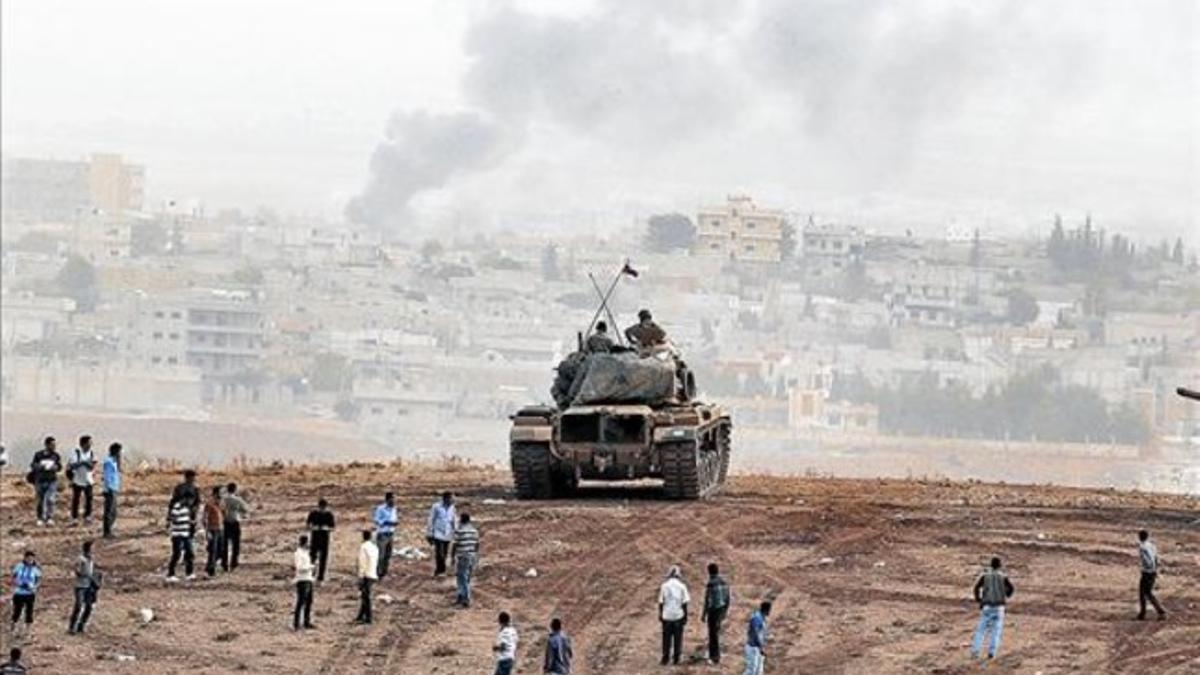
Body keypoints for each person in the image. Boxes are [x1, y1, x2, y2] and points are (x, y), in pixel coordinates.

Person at [971, 556, 1015, 663]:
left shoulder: (985, 576)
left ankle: (975, 651)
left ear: (991, 565)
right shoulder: (1003, 577)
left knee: (981, 629)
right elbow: (1012, 588)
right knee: (996, 630)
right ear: (1000, 566)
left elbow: (976, 587)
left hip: (987, 605)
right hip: (999, 606)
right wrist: (1006, 595)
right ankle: (992, 652)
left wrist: (979, 599)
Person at [658, 565, 690, 666]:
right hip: (678, 615)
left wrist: (660, 614)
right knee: (678, 638)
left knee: (666, 638)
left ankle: (665, 657)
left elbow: (661, 602)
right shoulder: (682, 586)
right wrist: (685, 616)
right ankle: (676, 658)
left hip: (666, 615)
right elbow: (685, 603)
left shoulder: (664, 586)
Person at [701, 562, 732, 665]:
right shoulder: (724, 582)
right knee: (716, 632)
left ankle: (714, 656)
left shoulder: (711, 583)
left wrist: (703, 614)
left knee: (712, 634)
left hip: (713, 611)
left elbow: (707, 599)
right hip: (721, 610)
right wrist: (725, 611)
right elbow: (728, 598)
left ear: (709, 572)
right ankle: (715, 655)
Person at [68, 540, 100, 634]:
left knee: (89, 607)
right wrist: (87, 575)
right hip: (80, 586)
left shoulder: (91, 560)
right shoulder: (81, 559)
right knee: (78, 605)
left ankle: (81, 625)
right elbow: (77, 571)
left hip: (89, 586)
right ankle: (72, 626)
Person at [29, 436, 62, 526]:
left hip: (52, 480)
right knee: (40, 500)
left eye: (55, 445)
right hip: (40, 480)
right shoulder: (38, 455)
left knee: (50, 499)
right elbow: (33, 465)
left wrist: (55, 467)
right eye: (52, 445)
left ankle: (49, 517)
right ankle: (40, 518)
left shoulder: (56, 455)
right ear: (47, 445)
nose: (54, 446)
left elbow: (59, 467)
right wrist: (40, 466)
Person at [67, 435, 97, 526]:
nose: (90, 445)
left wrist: (83, 463)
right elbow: (72, 465)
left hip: (88, 480)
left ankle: (87, 517)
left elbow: (92, 466)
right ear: (83, 444)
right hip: (77, 479)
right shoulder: (76, 453)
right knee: (76, 499)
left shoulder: (92, 453)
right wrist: (83, 463)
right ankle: (74, 517)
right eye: (89, 443)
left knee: (89, 499)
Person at [9, 551, 42, 636]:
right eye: (28, 558)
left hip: (30, 593)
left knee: (29, 612)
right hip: (19, 592)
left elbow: (38, 580)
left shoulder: (35, 568)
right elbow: (13, 577)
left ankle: (28, 631)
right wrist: (16, 583)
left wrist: (34, 587)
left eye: (32, 558)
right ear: (25, 558)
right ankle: (14, 627)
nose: (30, 560)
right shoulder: (19, 566)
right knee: (17, 611)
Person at [452, 512, 480, 608]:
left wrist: (452, 557)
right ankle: (460, 597)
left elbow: (455, 545)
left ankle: (465, 599)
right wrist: (475, 555)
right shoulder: (474, 531)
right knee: (467, 578)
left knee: (462, 578)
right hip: (471, 556)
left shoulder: (460, 531)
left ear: (461, 520)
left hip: (462, 556)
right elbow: (477, 544)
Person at [1137, 529, 1166, 621]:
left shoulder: (1142, 547)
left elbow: (1148, 559)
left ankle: (1159, 611)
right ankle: (1143, 613)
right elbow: (1156, 557)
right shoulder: (1151, 545)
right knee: (1145, 593)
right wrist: (1155, 568)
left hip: (1147, 572)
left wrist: (1149, 567)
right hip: (1152, 571)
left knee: (1145, 593)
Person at [222, 482, 251, 571]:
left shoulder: (223, 499)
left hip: (224, 522)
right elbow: (246, 510)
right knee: (235, 544)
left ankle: (225, 563)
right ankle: (233, 563)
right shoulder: (237, 500)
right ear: (235, 489)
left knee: (224, 545)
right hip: (235, 522)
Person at [426, 492, 456, 577]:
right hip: (438, 533)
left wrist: (455, 531)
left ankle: (439, 570)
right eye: (451, 498)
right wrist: (429, 533)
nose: (452, 500)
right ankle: (441, 571)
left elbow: (453, 520)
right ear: (445, 498)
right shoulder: (436, 507)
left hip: (448, 533)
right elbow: (431, 519)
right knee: (439, 553)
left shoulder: (452, 508)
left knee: (445, 553)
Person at [166, 497, 196, 581]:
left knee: (189, 553)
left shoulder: (187, 509)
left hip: (186, 534)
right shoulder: (176, 508)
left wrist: (190, 522)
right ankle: (170, 573)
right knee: (177, 554)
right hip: (178, 534)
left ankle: (189, 573)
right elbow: (173, 519)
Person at [306, 498, 335, 582]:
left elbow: (332, 527)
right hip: (315, 537)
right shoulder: (313, 514)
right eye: (321, 508)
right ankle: (311, 574)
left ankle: (321, 576)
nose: (322, 509)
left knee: (323, 558)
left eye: (323, 508)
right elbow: (308, 525)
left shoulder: (329, 515)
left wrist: (326, 528)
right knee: (312, 557)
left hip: (324, 538)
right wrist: (313, 528)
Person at [355, 530, 379, 625]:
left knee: (365, 596)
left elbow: (362, 562)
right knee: (365, 595)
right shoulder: (374, 547)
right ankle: (361, 615)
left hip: (366, 574)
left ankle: (368, 617)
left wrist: (360, 576)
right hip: (372, 573)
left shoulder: (363, 547)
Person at [373, 492, 399, 578]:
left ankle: (384, 572)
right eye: (392, 499)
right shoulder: (380, 509)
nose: (394, 501)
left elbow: (395, 519)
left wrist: (394, 524)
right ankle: (377, 572)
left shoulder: (394, 509)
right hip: (382, 534)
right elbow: (376, 520)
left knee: (388, 554)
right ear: (387, 499)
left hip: (391, 534)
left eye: (394, 499)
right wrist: (386, 522)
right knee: (380, 555)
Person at [293, 534, 316, 630]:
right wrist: (310, 567)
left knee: (308, 601)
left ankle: (306, 621)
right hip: (302, 579)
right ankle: (297, 623)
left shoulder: (305, 553)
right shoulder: (298, 554)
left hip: (308, 578)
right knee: (301, 602)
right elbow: (299, 567)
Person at [744, 601, 771, 675]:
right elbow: (756, 634)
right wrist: (761, 646)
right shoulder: (757, 618)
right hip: (753, 648)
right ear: (766, 610)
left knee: (759, 671)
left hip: (758, 648)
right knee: (751, 670)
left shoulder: (762, 617)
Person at [101, 442, 122, 538]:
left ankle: (110, 530)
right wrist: (109, 488)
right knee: (109, 511)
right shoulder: (108, 461)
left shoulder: (114, 461)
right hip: (110, 489)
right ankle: (107, 532)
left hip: (114, 488)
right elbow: (107, 476)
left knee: (113, 511)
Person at [203, 486, 225, 576]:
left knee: (220, 550)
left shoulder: (221, 503)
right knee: (213, 550)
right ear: (216, 493)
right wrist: (207, 531)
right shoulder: (209, 504)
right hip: (212, 529)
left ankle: (210, 566)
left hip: (220, 529)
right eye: (221, 492)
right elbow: (204, 518)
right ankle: (211, 569)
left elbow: (223, 514)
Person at [493, 611, 518, 675]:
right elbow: (516, 642)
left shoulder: (505, 632)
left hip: (504, 659)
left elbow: (503, 646)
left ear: (500, 622)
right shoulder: (513, 630)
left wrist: (496, 648)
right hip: (511, 658)